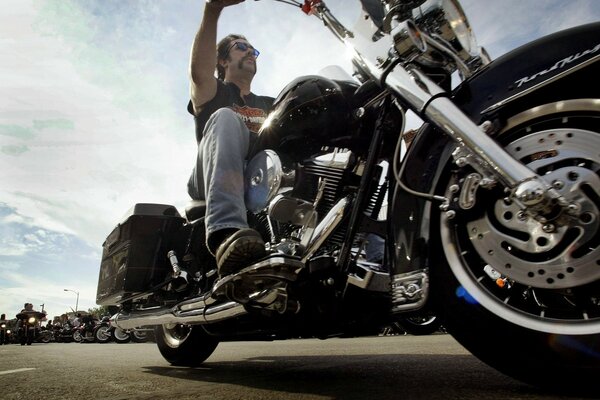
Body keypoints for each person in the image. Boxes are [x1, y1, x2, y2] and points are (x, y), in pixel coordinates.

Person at [187, 0, 274, 277]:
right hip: (210, 175)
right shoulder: (217, 92)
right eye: (241, 47)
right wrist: (213, 10)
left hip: (260, 181)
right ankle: (226, 234)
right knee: (227, 117)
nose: (250, 51)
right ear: (223, 61)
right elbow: (199, 75)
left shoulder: (270, 104)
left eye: (253, 49)